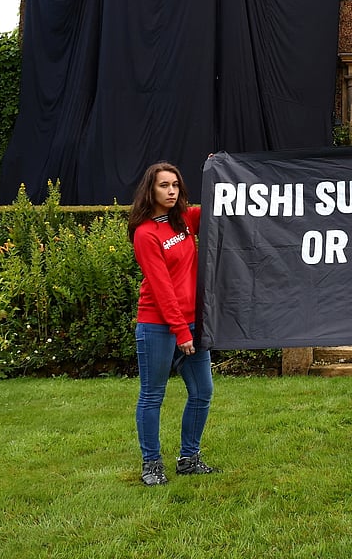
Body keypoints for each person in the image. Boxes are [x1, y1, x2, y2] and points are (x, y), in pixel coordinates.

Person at [128, 161, 218, 486]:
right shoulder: (145, 234)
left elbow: (217, 204)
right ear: (150, 190)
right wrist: (180, 331)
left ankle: (188, 459)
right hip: (157, 325)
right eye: (164, 185)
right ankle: (151, 463)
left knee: (202, 391)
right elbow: (162, 288)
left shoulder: (183, 222)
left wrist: (217, 168)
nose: (171, 191)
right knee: (153, 394)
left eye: (175, 185)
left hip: (191, 323)